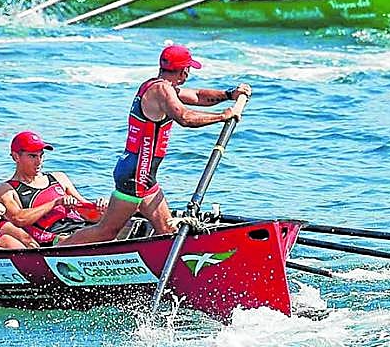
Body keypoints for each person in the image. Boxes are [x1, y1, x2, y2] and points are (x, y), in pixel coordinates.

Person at [61, 45, 249, 244]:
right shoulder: (161, 91)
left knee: (166, 229)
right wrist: (223, 116)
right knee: (106, 232)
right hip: (137, 175)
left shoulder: (158, 86)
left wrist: (230, 94)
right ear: (184, 71)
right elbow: (185, 118)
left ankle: (178, 267)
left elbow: (197, 96)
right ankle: (56, 252)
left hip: (140, 173)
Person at [0, 131, 102, 245]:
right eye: (32, 156)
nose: (39, 161)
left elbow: (89, 212)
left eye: (41, 155)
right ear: (16, 157)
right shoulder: (6, 189)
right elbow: (18, 218)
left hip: (81, 228)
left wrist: (101, 209)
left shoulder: (59, 177)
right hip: (56, 237)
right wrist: (55, 203)